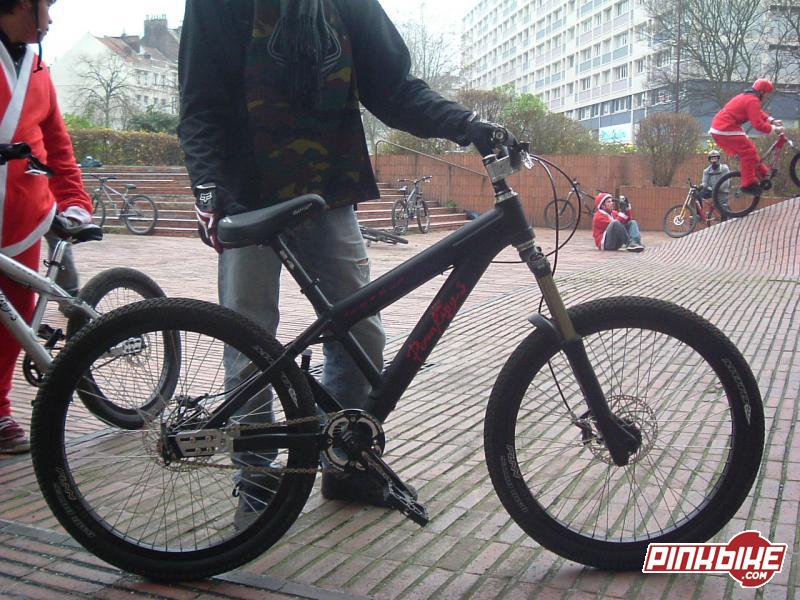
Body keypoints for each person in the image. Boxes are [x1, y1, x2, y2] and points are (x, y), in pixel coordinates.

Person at [178, 0, 503, 517]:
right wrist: (208, 186)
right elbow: (200, 101)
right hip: (247, 194)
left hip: (328, 192)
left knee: (362, 333)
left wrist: (467, 125)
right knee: (249, 340)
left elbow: (393, 88)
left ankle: (346, 464)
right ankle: (257, 478)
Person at [0, 0, 92, 453]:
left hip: (24, 214)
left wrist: (74, 199)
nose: (50, 19)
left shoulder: (37, 68)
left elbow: (56, 141)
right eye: (46, 6)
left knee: (12, 316)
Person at [709, 79, 785, 196]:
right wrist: (774, 129)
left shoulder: (748, 97)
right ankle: (748, 184)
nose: (767, 98)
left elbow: (757, 112)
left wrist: (771, 120)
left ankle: (763, 173)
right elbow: (757, 124)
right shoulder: (752, 100)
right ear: (762, 92)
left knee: (750, 150)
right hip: (725, 127)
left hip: (723, 126)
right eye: (767, 95)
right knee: (748, 151)